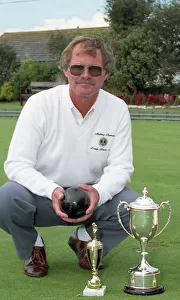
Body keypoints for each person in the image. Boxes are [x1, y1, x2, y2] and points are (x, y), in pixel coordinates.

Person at [0, 34, 140, 278]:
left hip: (94, 198)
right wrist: (52, 190)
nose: (85, 75)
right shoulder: (39, 104)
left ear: (106, 73)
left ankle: (84, 240)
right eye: (77, 67)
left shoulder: (117, 108)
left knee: (138, 209)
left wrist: (98, 192)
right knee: (5, 199)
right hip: (42, 197)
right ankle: (34, 247)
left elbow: (121, 167)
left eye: (94, 69)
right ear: (66, 70)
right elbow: (17, 164)